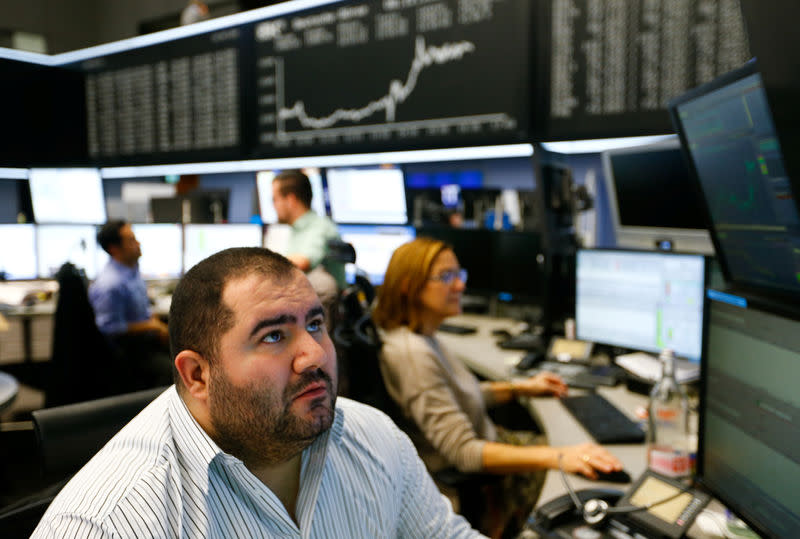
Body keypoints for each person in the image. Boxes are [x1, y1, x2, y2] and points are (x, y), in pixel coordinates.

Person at [32, 247, 483, 538]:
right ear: (197, 376)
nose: (314, 355)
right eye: (273, 336)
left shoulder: (374, 438)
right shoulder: (109, 525)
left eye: (315, 324)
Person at [373, 237, 623, 537]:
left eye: (459, 275)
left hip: (492, 438)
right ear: (408, 285)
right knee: (589, 486)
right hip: (481, 474)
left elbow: (462, 395)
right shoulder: (412, 355)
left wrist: (520, 388)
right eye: (446, 277)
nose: (460, 286)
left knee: (584, 453)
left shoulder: (424, 336)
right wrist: (558, 456)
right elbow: (464, 453)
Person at [89, 220, 171, 386]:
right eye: (131, 240)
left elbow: (141, 309)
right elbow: (110, 328)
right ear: (114, 248)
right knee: (174, 373)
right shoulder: (110, 284)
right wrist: (152, 326)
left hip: (147, 341)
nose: (138, 243)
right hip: (130, 353)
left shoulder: (131, 270)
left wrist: (152, 321)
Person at [272, 169, 346, 309]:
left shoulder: (320, 227)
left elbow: (303, 262)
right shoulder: (297, 229)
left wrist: (259, 265)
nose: (273, 206)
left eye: (275, 199)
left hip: (321, 313)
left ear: (291, 200)